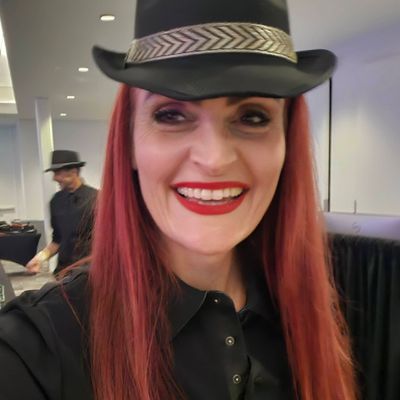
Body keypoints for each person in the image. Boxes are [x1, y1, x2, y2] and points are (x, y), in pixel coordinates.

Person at [0, 1, 358, 399]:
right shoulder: (35, 348)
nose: (215, 159)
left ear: (287, 143)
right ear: (129, 144)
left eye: (253, 116)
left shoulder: (320, 312)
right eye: (170, 114)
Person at [26, 150, 97, 276]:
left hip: (89, 274)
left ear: (73, 172)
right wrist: (40, 258)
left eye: (58, 173)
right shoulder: (56, 201)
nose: (54, 178)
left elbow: (107, 244)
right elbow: (57, 240)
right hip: (62, 272)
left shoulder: (96, 199)